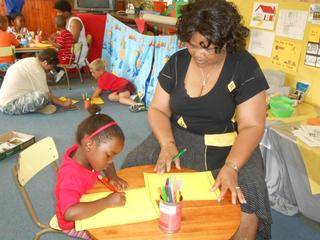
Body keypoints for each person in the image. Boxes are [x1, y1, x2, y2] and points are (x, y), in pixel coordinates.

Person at [121, 0, 271, 239]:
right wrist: (167, 144)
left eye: (208, 47)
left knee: (247, 192)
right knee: (132, 167)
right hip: (177, 136)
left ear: (226, 42)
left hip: (228, 142)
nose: (198, 54)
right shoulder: (178, 62)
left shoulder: (243, 65)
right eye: (192, 45)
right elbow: (158, 110)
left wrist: (231, 166)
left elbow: (252, 126)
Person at [55, 104, 128, 239]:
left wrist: (113, 177)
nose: (110, 161)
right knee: (116, 233)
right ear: (89, 144)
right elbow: (69, 213)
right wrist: (107, 202)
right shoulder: (71, 176)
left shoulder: (88, 154)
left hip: (88, 199)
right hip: (75, 223)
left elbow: (106, 164)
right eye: (108, 155)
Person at [0, 48, 72, 115]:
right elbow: (47, 94)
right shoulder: (38, 71)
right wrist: (63, 103)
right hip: (9, 106)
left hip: (5, 100)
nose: (51, 69)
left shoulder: (30, 60)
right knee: (44, 96)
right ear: (45, 63)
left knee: (46, 91)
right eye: (51, 66)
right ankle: (38, 107)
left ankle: (37, 106)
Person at [54, 0, 88, 68]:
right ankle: (57, 72)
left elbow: (73, 40)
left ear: (66, 12)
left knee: (52, 54)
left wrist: (59, 42)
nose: (57, 14)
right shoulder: (66, 21)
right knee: (52, 51)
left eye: (59, 12)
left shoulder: (74, 22)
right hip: (71, 50)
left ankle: (58, 72)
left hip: (77, 51)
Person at [48, 15, 74, 83]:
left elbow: (59, 46)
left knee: (50, 59)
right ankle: (60, 72)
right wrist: (55, 38)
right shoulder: (68, 33)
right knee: (53, 57)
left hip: (65, 58)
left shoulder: (62, 34)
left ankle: (58, 72)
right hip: (70, 57)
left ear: (56, 25)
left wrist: (51, 42)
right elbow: (62, 43)